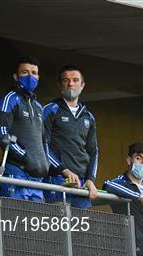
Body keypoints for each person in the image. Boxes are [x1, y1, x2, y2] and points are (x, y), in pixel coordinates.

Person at [0, 55, 50, 201]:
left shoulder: (39, 107)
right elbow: (2, 134)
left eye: (34, 73)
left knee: (34, 223)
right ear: (15, 76)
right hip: (16, 173)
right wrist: (26, 157)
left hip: (37, 179)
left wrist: (45, 163)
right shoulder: (9, 99)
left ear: (38, 77)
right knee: (14, 221)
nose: (30, 76)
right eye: (25, 72)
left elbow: (44, 141)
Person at [43, 65, 99, 208]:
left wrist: (90, 179)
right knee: (57, 228)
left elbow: (93, 151)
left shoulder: (89, 116)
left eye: (75, 80)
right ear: (60, 84)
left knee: (80, 229)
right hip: (56, 181)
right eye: (66, 80)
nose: (71, 84)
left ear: (82, 85)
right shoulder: (50, 109)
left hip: (81, 185)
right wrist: (64, 170)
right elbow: (42, 145)